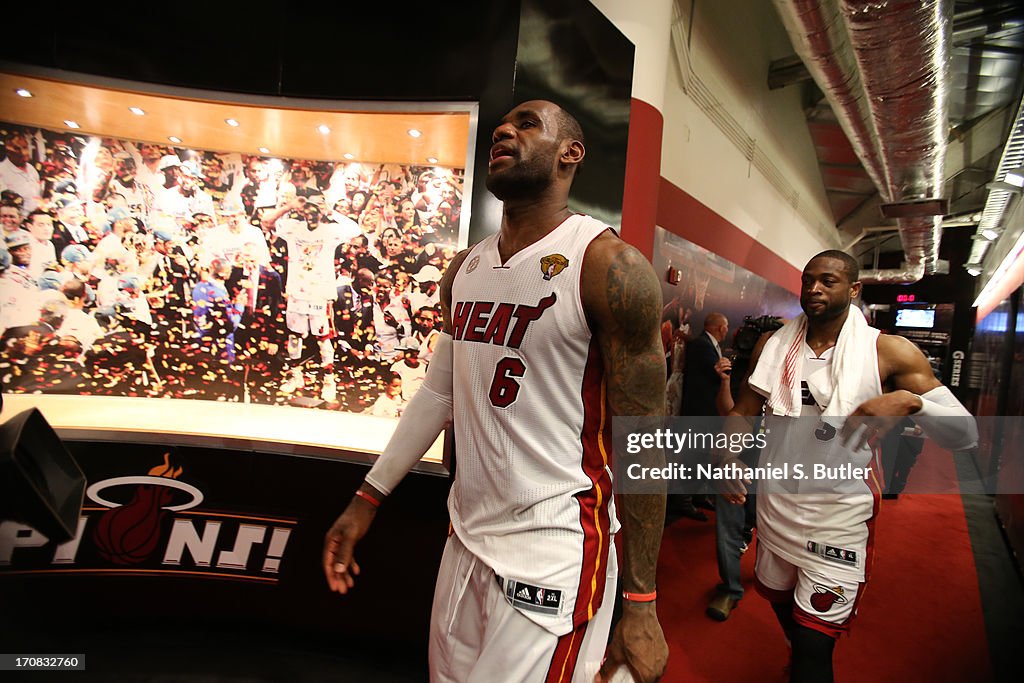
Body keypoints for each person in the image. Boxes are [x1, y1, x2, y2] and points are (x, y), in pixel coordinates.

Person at [323, 100, 669, 683]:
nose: (505, 130)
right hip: (466, 537)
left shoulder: (608, 265)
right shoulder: (464, 269)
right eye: (503, 124)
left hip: (554, 549)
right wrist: (367, 498)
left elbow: (645, 441)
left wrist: (642, 601)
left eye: (528, 123)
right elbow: (439, 394)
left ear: (571, 154)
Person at [719, 250, 977, 682]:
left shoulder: (889, 352)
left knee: (814, 647)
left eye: (828, 280)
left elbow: (965, 434)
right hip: (776, 505)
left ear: (854, 289)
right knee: (783, 606)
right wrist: (727, 456)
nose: (814, 289)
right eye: (807, 280)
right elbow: (745, 409)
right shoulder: (775, 344)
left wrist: (913, 402)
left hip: (838, 517)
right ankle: (797, 649)